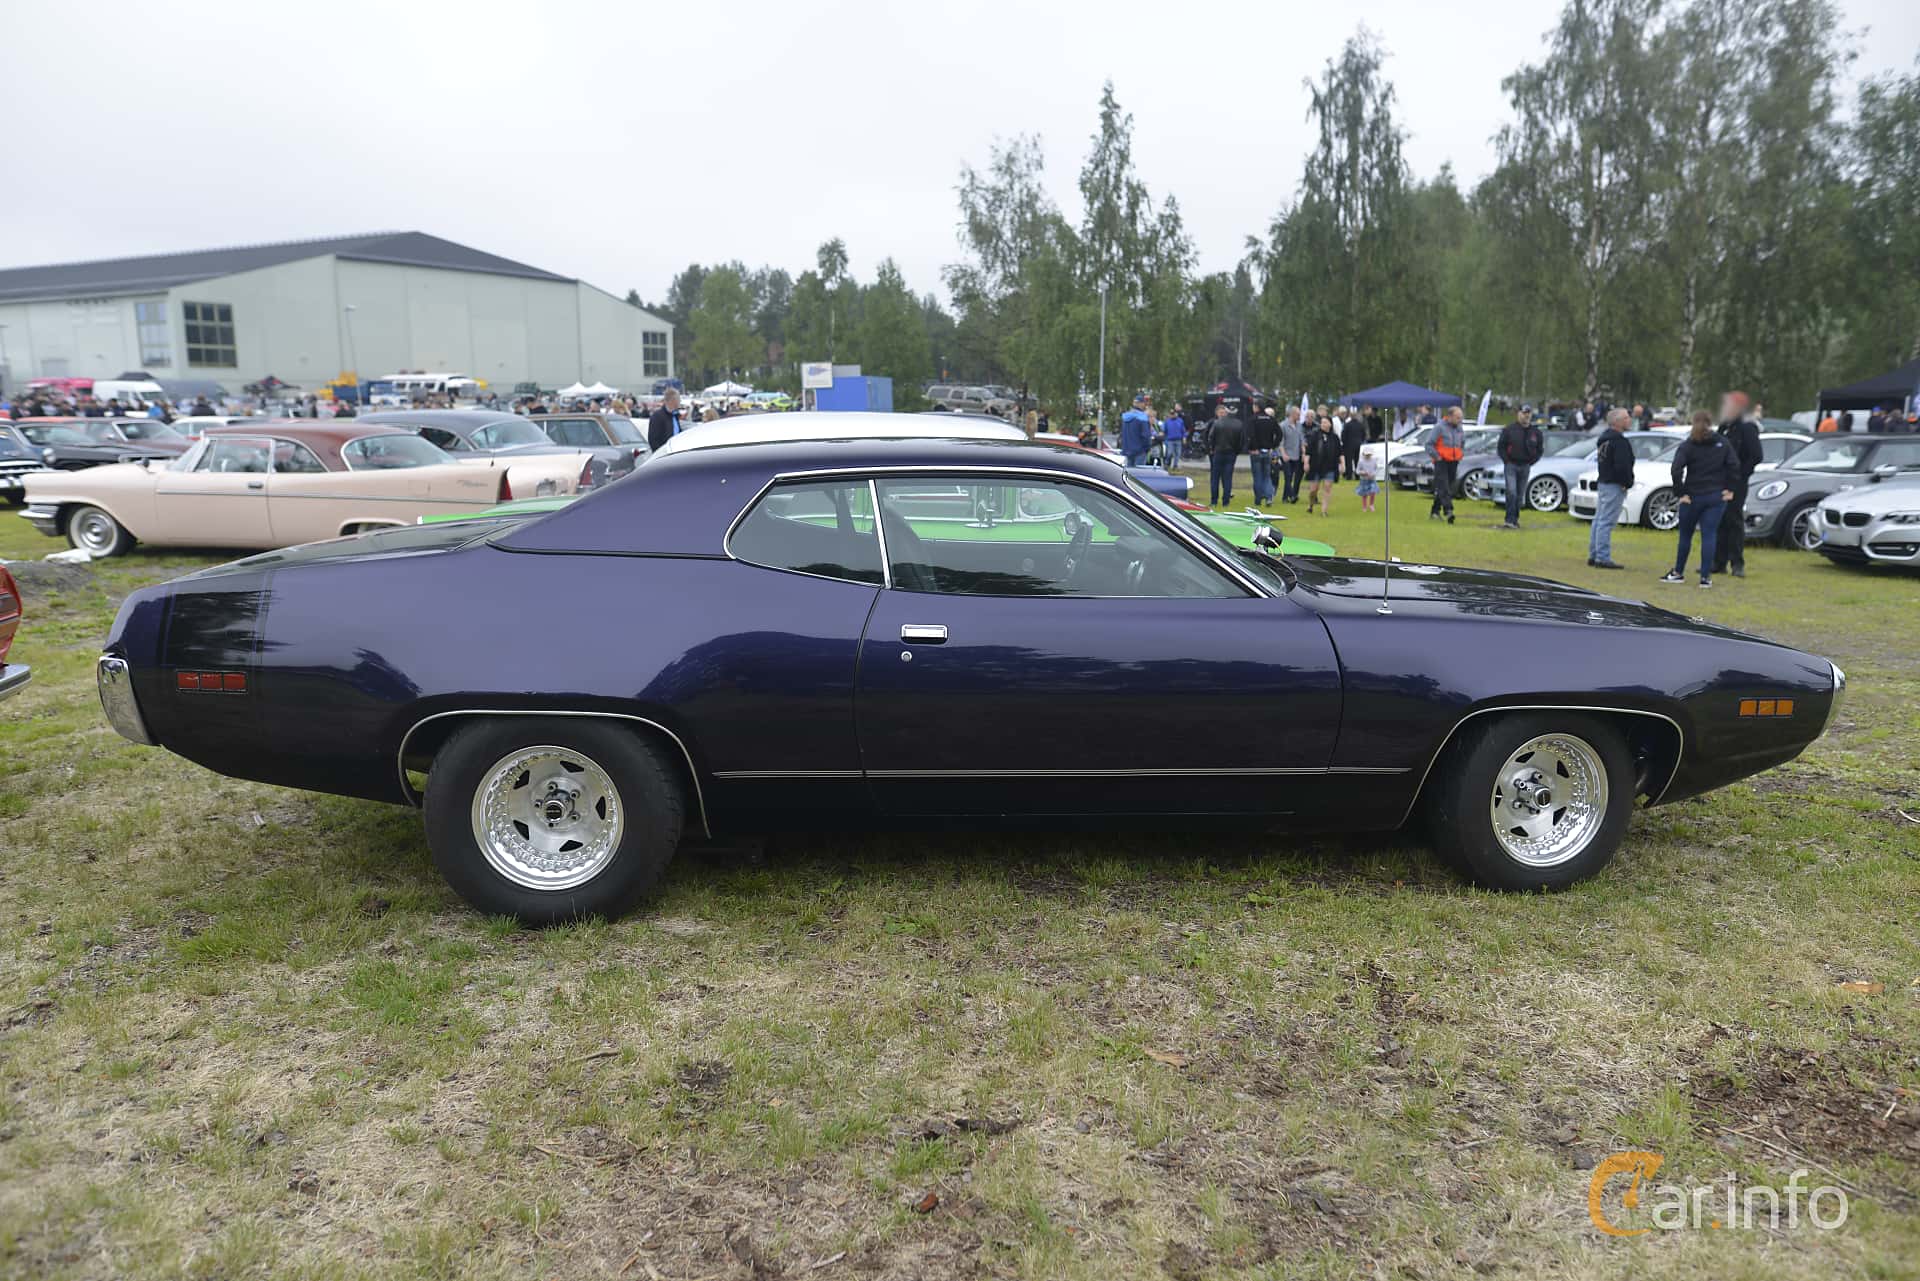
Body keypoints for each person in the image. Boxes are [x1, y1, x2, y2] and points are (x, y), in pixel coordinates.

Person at [1663, 411, 1734, 588]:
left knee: (1685, 536)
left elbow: (1676, 469)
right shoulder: (1722, 443)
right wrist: (1729, 489)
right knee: (1709, 535)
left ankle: (1678, 572)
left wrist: (1680, 492)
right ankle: (1705, 577)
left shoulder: (1689, 444)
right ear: (1711, 423)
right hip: (1715, 496)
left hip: (1692, 496)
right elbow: (1734, 465)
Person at [1713, 391, 1763, 579]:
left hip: (1736, 483)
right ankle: (1718, 562)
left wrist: (1740, 476)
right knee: (1720, 521)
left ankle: (1737, 563)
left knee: (1734, 521)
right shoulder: (1724, 427)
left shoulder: (1747, 428)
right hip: (1719, 481)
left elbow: (1756, 456)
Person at [1588, 409, 1635, 569]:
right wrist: (1627, 482)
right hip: (1614, 484)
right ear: (1617, 422)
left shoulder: (1605, 439)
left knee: (1599, 519)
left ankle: (1594, 554)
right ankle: (1602, 557)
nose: (1629, 420)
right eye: (1626, 418)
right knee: (1606, 521)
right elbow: (1622, 465)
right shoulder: (1618, 441)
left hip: (1604, 482)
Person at [1496, 404, 1545, 529]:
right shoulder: (1509, 429)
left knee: (1519, 495)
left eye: (1528, 413)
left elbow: (1540, 450)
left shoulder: (1536, 432)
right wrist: (1506, 461)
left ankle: (1515, 520)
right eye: (1524, 413)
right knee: (1511, 492)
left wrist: (1531, 462)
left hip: (1525, 466)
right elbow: (1501, 447)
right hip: (1511, 465)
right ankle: (1508, 520)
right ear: (1518, 414)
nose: (1526, 416)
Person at [1428, 406, 1465, 523]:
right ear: (1449, 417)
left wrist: (1460, 454)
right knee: (1444, 486)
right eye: (1458, 417)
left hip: (1454, 461)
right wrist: (1437, 457)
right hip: (1441, 461)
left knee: (1447, 486)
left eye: (1461, 418)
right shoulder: (1439, 427)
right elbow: (1429, 444)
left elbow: (1462, 442)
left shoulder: (1459, 428)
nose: (1460, 420)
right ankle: (1449, 511)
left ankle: (1435, 511)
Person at [1207, 402, 1245, 507]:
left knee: (1215, 477)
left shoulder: (1217, 423)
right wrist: (1236, 451)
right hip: (1231, 453)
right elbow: (1241, 441)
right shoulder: (1239, 424)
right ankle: (1226, 501)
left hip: (1218, 452)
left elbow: (1211, 437)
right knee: (1228, 478)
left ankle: (1214, 501)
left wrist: (1212, 449)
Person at [1305, 415, 1342, 515]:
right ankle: (1311, 504)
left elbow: (1340, 453)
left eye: (1325, 422)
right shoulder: (1315, 435)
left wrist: (1343, 465)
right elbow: (1308, 451)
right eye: (1322, 422)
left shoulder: (1334, 437)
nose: (1323, 424)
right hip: (1316, 466)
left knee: (1327, 487)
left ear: (1330, 424)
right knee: (1314, 489)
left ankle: (1324, 510)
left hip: (1330, 466)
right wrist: (1306, 463)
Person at [1247, 405, 1278, 506]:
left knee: (1257, 476)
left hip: (1256, 452)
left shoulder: (1253, 419)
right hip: (1267, 451)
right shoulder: (1271, 419)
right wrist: (1272, 446)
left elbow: (1250, 435)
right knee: (1267, 476)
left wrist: (1253, 448)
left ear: (1256, 407)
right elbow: (1279, 434)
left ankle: (1258, 498)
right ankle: (1269, 497)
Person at [1278, 405, 1305, 504]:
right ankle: (1293, 495)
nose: (1299, 416)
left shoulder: (1299, 425)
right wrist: (1284, 454)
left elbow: (1301, 440)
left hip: (1296, 455)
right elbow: (1281, 442)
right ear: (1292, 414)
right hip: (1286, 455)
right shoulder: (1283, 425)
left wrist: (1304, 453)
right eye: (1298, 414)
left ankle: (1285, 498)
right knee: (1288, 476)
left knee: (1291, 477)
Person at [1120, 394, 1154, 467]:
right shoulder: (1143, 418)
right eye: (1144, 403)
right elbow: (1146, 436)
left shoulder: (1125, 417)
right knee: (1139, 474)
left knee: (1129, 474)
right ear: (1141, 404)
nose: (1145, 405)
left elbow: (1122, 434)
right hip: (1139, 451)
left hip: (1127, 450)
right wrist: (1147, 448)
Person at [1340, 410, 1365, 481]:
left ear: (1350, 416)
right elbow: (1364, 435)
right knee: (1357, 460)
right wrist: (1361, 441)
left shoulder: (1347, 425)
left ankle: (1349, 475)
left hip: (1348, 445)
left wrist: (1344, 443)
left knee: (1349, 461)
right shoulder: (1360, 425)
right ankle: (1357, 475)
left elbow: (1343, 435)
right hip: (1358, 444)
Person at [1355, 448, 1379, 513]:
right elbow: (1357, 471)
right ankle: (1364, 507)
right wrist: (1362, 473)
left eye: (1369, 454)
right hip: (1364, 480)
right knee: (1364, 494)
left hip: (1372, 479)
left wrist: (1373, 474)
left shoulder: (1374, 461)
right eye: (1366, 454)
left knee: (1373, 492)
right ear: (1363, 454)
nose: (1368, 456)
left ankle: (1371, 504)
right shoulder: (1361, 461)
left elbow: (1376, 469)